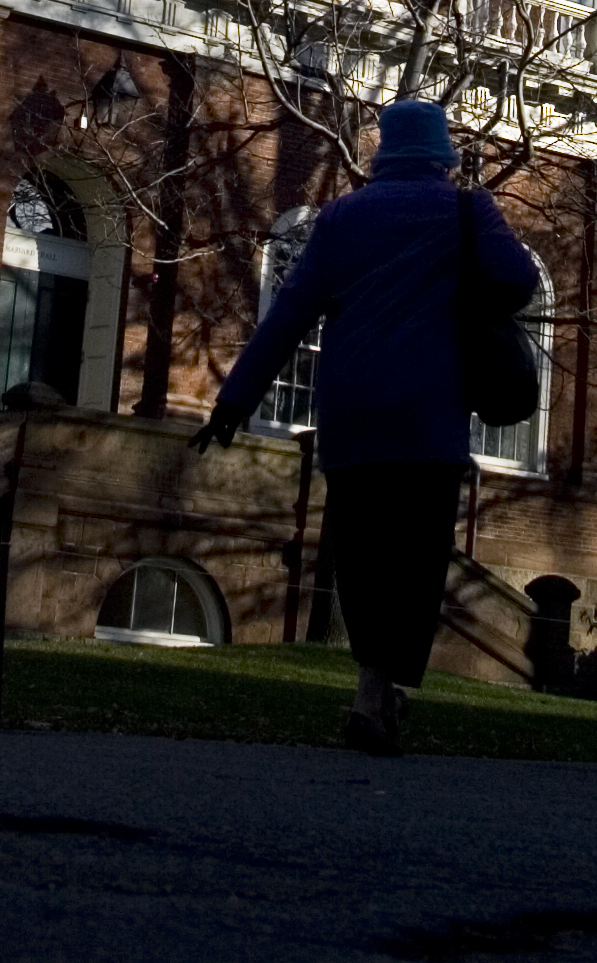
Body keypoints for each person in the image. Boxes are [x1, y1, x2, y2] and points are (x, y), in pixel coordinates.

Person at [196, 99, 539, 756]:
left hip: (353, 411)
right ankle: (378, 693)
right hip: (430, 413)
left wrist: (233, 403)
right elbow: (519, 280)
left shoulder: (343, 216)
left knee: (359, 555)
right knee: (415, 560)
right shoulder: (467, 209)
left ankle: (369, 693)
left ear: (383, 154)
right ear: (443, 153)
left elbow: (289, 315)